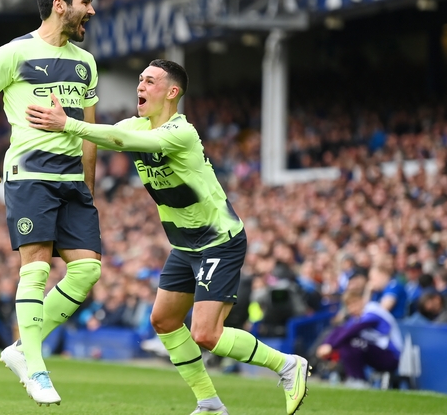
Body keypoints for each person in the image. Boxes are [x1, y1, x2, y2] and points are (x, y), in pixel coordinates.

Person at [26, 59, 309, 415]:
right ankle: (209, 404)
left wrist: (68, 123)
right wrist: (62, 119)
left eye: (150, 81)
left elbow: (118, 138)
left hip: (218, 240)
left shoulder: (180, 132)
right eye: (140, 80)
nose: (140, 86)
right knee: (163, 320)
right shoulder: (138, 124)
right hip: (184, 245)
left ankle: (287, 366)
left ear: (172, 92)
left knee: (206, 334)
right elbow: (109, 134)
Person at [0, 0, 100, 406]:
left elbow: (90, 132)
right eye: (85, 2)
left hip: (72, 179)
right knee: (36, 268)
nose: (91, 10)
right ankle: (37, 370)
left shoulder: (86, 61)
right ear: (61, 5)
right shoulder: (13, 53)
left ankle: (23, 349)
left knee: (88, 268)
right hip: (30, 174)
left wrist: (89, 186)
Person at [316, 288, 402, 389]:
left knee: (353, 341)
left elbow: (353, 331)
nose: (353, 308)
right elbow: (340, 330)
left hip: (391, 356)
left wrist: (331, 346)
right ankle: (354, 379)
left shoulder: (373, 311)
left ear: (363, 300)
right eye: (349, 305)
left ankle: (359, 381)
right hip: (377, 353)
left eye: (355, 303)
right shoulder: (356, 317)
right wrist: (326, 344)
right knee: (348, 342)